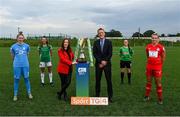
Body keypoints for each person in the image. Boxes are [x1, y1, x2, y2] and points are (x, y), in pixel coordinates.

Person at [10, 31, 33, 101]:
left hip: (25, 65)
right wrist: (16, 62)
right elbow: (12, 57)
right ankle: (15, 95)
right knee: (16, 80)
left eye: (22, 38)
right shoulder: (13, 47)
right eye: (19, 38)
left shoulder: (27, 46)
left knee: (26, 79)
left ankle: (29, 93)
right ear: (17, 38)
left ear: (23, 38)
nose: (20, 39)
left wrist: (24, 61)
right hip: (16, 65)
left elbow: (27, 55)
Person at [144, 33, 166, 105]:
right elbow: (148, 56)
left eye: (155, 38)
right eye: (153, 38)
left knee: (158, 84)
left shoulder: (161, 47)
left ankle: (160, 99)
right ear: (151, 39)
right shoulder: (148, 47)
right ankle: (147, 96)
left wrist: (159, 65)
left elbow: (163, 58)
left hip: (157, 68)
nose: (154, 39)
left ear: (158, 39)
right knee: (148, 82)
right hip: (149, 67)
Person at [93, 28, 113, 103]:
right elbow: (94, 53)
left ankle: (110, 96)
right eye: (99, 33)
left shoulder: (109, 42)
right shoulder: (95, 42)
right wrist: (101, 61)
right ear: (98, 34)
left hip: (107, 64)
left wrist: (105, 61)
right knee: (98, 80)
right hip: (98, 64)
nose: (101, 34)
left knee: (109, 81)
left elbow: (110, 53)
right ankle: (97, 96)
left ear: (104, 33)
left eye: (102, 32)